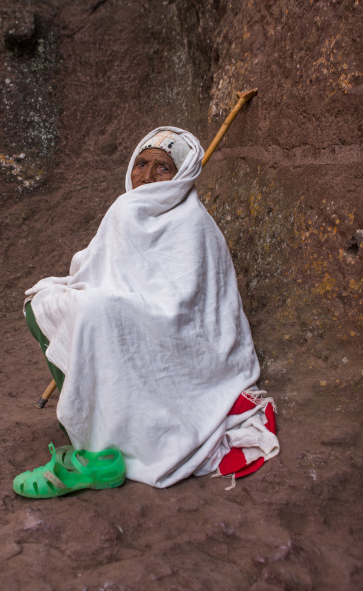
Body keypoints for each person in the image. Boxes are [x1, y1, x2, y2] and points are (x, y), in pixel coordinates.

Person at [18, 127, 279, 494]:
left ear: (183, 174)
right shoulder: (125, 210)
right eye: (141, 164)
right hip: (128, 316)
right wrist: (112, 303)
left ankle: (98, 454)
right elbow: (96, 272)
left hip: (183, 342)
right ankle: (89, 428)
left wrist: (119, 308)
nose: (145, 176)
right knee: (44, 303)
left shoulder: (196, 223)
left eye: (162, 168)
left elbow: (188, 306)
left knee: (92, 312)